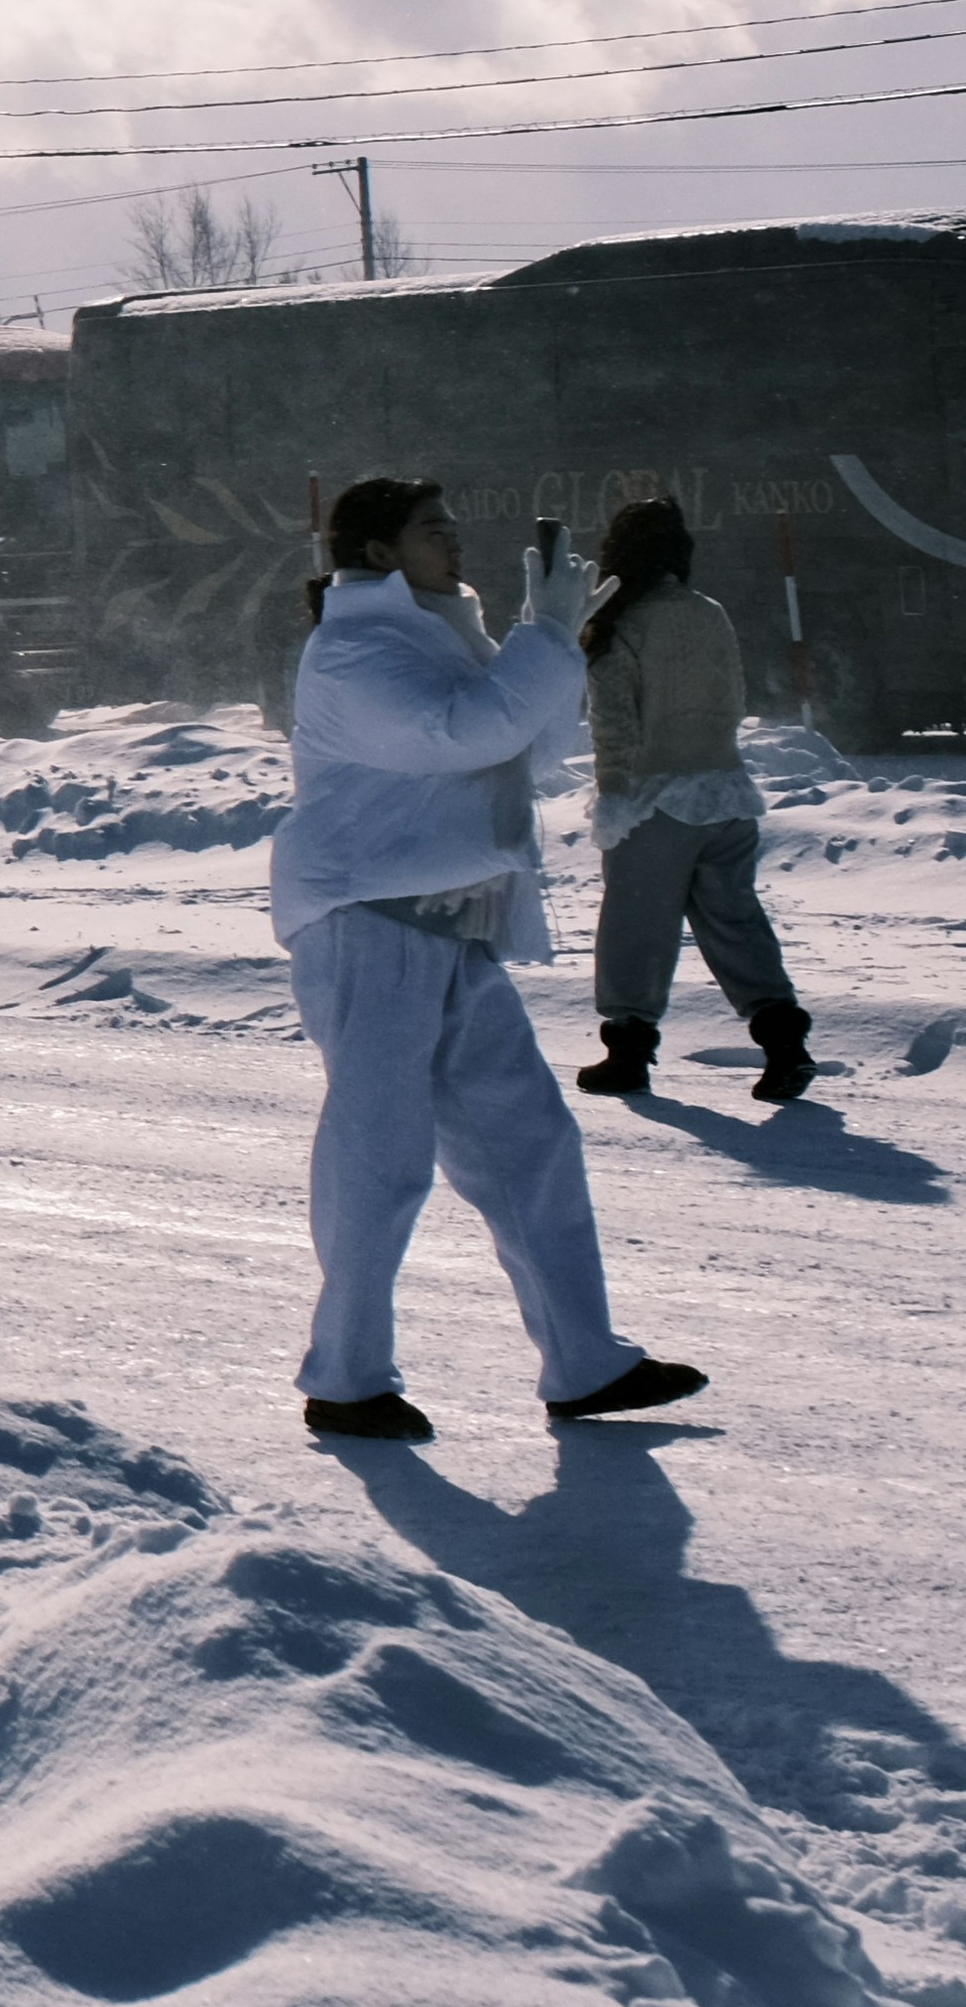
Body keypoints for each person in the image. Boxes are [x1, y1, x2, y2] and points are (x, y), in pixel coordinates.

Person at [271, 480, 701, 1442]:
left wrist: (555, 641)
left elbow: (528, 750)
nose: (454, 545)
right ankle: (345, 1378)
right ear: (380, 553)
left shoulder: (436, 633)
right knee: (380, 1158)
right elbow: (463, 734)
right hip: (365, 917)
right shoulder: (353, 649)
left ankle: (585, 1362)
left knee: (530, 1144)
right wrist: (539, 645)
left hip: (449, 919)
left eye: (455, 529)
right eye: (434, 532)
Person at [576, 499, 808, 1104]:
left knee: (636, 929)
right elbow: (731, 699)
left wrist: (615, 797)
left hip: (657, 800)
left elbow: (614, 724)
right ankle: (784, 1042)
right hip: (726, 790)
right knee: (735, 924)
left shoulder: (623, 621)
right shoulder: (710, 613)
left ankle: (627, 1053)